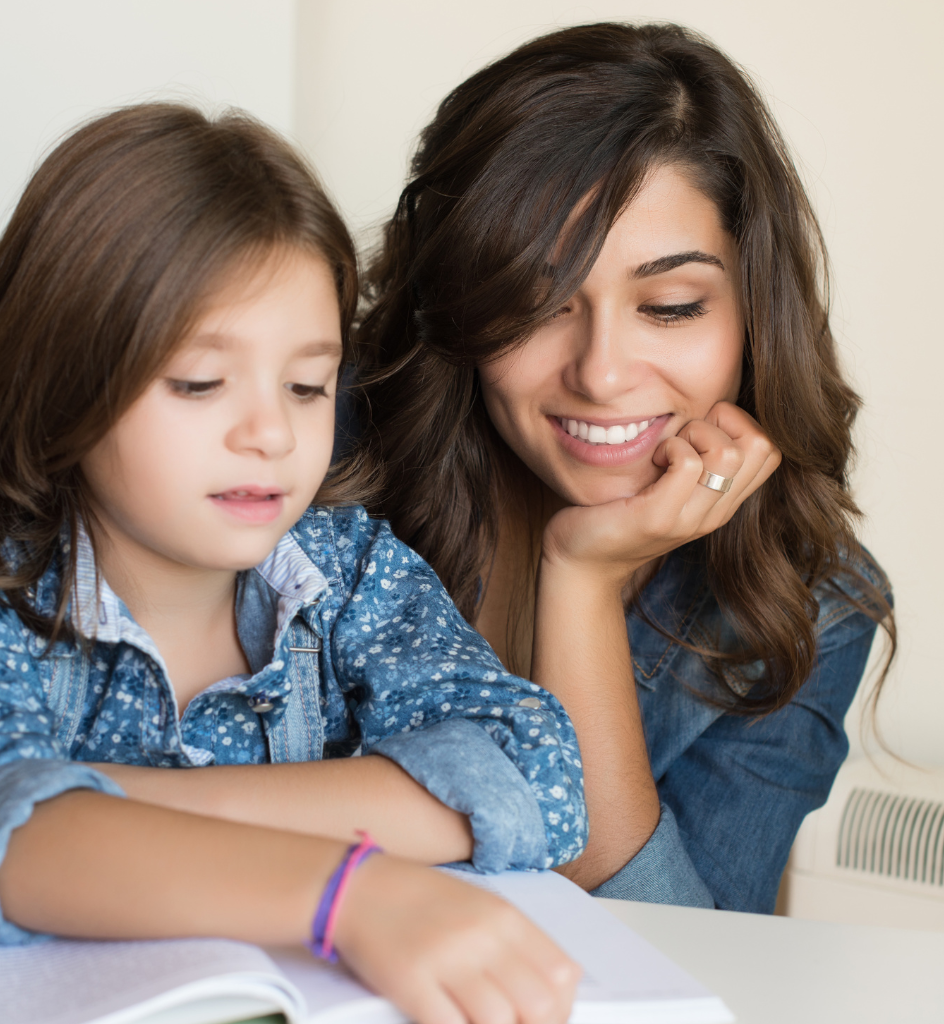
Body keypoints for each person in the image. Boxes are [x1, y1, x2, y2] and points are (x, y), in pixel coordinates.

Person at [0, 104, 586, 1024]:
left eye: (306, 385)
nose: (274, 435)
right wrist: (352, 886)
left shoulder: (352, 569)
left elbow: (537, 775)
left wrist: (97, 801)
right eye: (200, 384)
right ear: (62, 384)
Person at [356, 22, 894, 914]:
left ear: (755, 312)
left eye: (671, 307)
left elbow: (681, 948)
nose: (601, 374)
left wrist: (579, 578)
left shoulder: (813, 603)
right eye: (535, 304)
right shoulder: (309, 466)